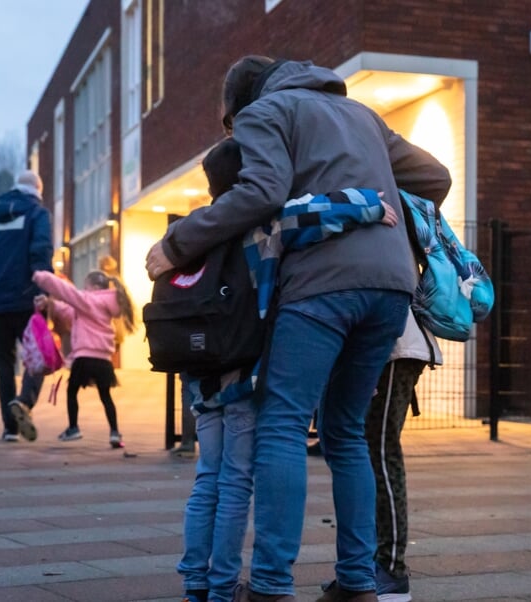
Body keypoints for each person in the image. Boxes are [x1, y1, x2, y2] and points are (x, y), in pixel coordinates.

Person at [146, 56, 451, 601]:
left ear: (237, 110)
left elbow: (261, 192)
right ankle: (358, 583)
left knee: (282, 425)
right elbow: (435, 177)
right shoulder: (363, 115)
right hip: (391, 287)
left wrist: (174, 245)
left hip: (322, 287)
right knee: (347, 432)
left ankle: (269, 586)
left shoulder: (267, 112)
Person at [175, 138, 399, 602]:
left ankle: (195, 581)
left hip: (199, 376)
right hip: (242, 374)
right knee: (237, 479)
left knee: (207, 478)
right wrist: (373, 207)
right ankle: (222, 590)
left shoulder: (195, 230)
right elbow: (317, 212)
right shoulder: (261, 225)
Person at [359, 316, 441, 602]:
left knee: (381, 451)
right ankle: (366, 566)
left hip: (395, 348)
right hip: (383, 346)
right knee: (368, 454)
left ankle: (392, 567)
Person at [0, 170, 53, 442]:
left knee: (4, 366)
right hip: (28, 300)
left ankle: (10, 429)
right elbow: (40, 251)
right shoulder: (37, 215)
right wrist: (44, 291)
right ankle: (24, 402)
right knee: (38, 357)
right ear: (37, 192)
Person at [32, 268, 135, 448]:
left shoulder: (88, 300)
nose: (83, 291)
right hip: (103, 359)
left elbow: (67, 292)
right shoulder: (103, 304)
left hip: (85, 356)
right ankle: (115, 433)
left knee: (72, 391)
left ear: (94, 287)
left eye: (85, 287)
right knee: (105, 396)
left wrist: (42, 277)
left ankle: (73, 427)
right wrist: (50, 304)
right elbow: (68, 311)